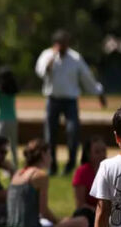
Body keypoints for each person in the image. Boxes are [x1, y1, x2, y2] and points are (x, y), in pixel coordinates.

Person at [35, 29, 107, 175]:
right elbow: (41, 72)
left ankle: (70, 165)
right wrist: (52, 59)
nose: (63, 47)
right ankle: (52, 165)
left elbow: (87, 77)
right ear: (55, 44)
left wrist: (98, 92)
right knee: (50, 134)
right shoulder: (47, 55)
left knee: (73, 131)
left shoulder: (75, 58)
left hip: (70, 101)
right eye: (60, 44)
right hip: (53, 100)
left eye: (65, 44)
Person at [7, 139, 89, 227]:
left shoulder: (18, 173)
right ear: (42, 154)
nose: (51, 157)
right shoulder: (40, 175)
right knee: (82, 221)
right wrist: (59, 222)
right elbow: (44, 211)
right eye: (49, 153)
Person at [72, 135, 107, 227]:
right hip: (89, 215)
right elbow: (80, 204)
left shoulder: (110, 170)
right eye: (97, 152)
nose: (102, 155)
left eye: (104, 151)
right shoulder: (82, 172)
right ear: (88, 154)